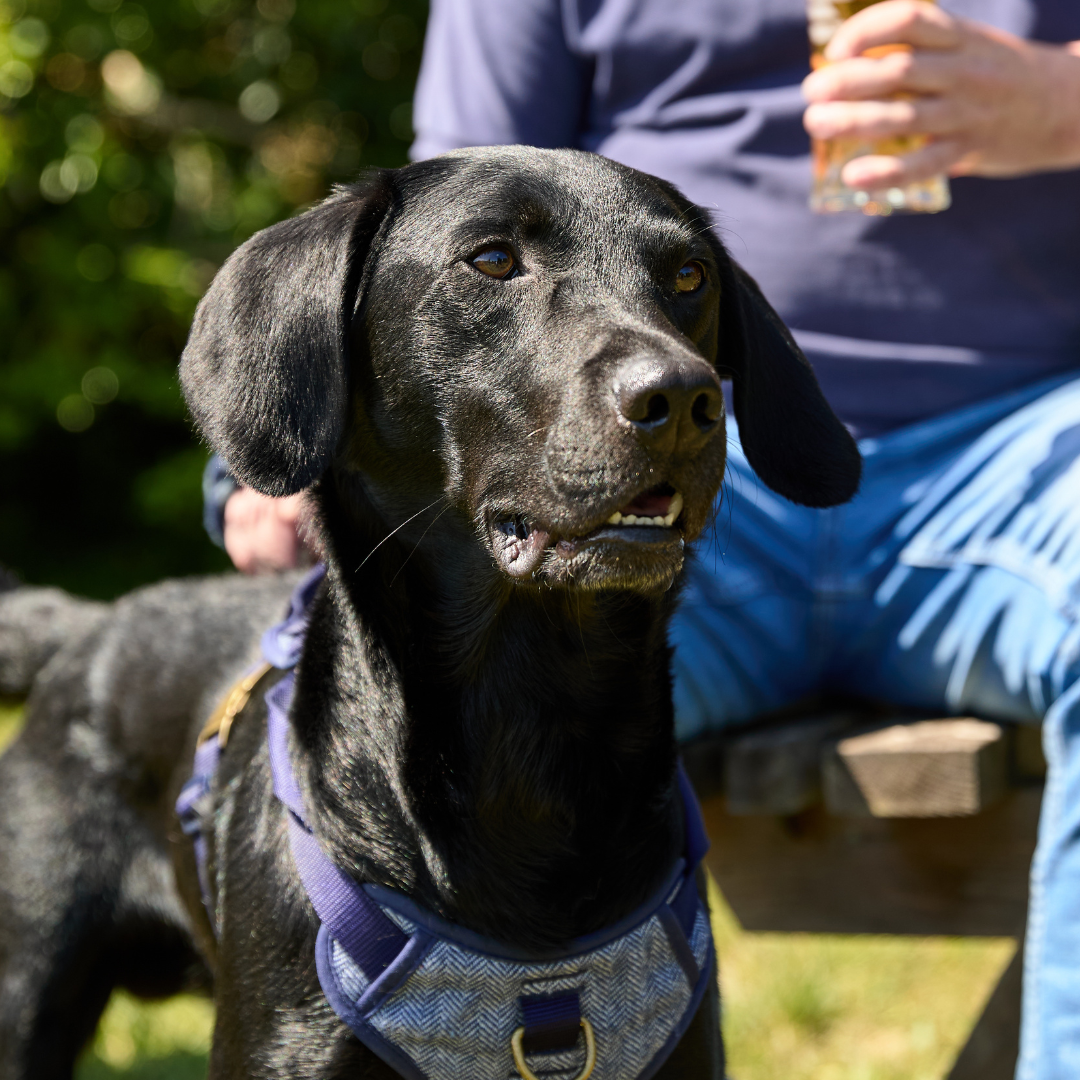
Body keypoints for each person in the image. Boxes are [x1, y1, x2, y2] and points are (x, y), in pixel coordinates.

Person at [206, 3, 1080, 1075]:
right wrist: (275, 424)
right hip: (679, 484)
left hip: (1028, 449)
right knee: (417, 709)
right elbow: (450, 201)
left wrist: (1062, 98)